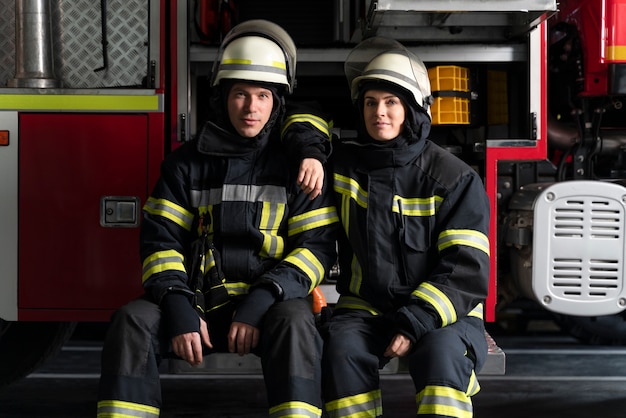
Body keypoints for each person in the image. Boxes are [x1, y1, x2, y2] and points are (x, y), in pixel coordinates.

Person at [96, 20, 338, 418]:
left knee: (297, 324)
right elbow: (161, 243)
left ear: (277, 102)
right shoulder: (184, 165)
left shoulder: (296, 167)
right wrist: (177, 305)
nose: (251, 107)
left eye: (263, 95)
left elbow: (316, 249)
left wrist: (262, 300)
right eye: (240, 94)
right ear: (222, 97)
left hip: (270, 304)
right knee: (132, 321)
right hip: (197, 303)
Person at [321, 37, 490, 417]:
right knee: (341, 353)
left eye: (391, 102)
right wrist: (309, 150)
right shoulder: (345, 165)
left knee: (441, 358)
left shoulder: (453, 178)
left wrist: (416, 320)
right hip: (365, 309)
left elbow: (466, 270)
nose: (379, 112)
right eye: (370, 102)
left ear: (412, 109)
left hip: (444, 314)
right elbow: (302, 121)